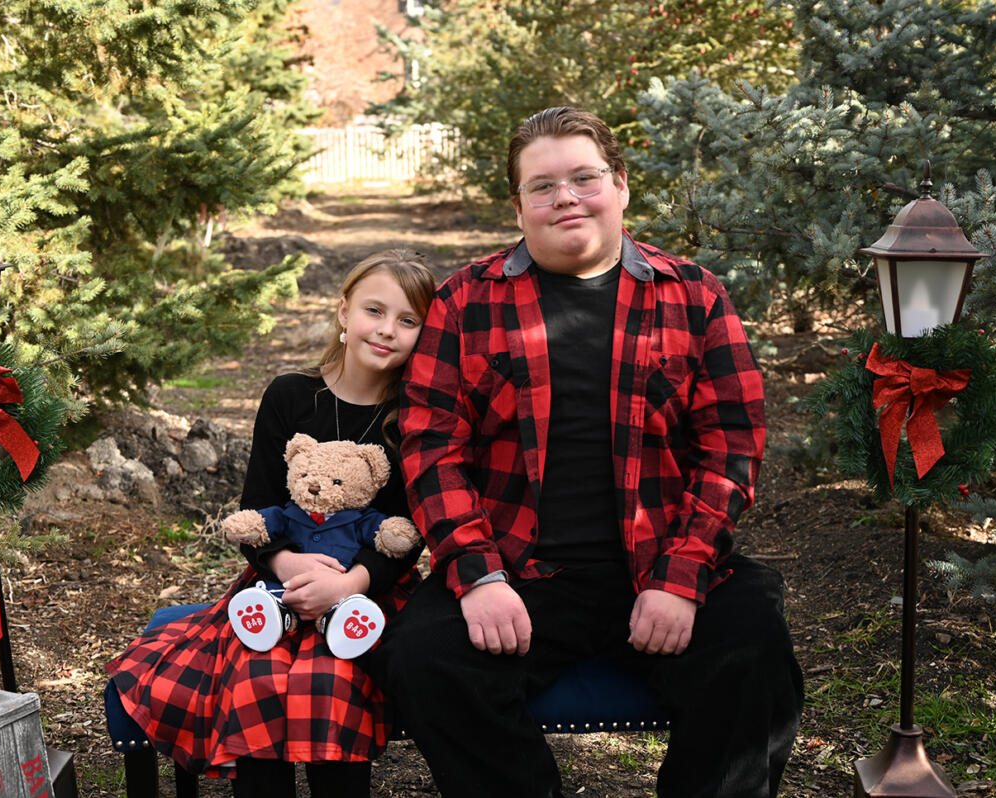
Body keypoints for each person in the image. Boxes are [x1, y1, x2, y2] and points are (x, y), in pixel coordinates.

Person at [364, 108, 805, 798]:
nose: (565, 197)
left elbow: (732, 449)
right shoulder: (465, 302)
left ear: (620, 185)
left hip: (660, 561)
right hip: (521, 571)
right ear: (519, 208)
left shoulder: (694, 296)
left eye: (584, 178)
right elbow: (432, 448)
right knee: (426, 659)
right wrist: (478, 577)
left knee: (754, 650)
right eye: (542, 186)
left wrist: (680, 577)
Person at [107, 249, 436, 798]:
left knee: (332, 682)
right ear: (344, 311)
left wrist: (347, 586)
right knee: (254, 680)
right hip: (276, 583)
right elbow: (257, 505)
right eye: (374, 310)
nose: (386, 330)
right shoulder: (290, 396)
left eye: (408, 320)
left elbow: (407, 529)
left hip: (369, 591)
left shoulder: (414, 414)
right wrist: (285, 564)